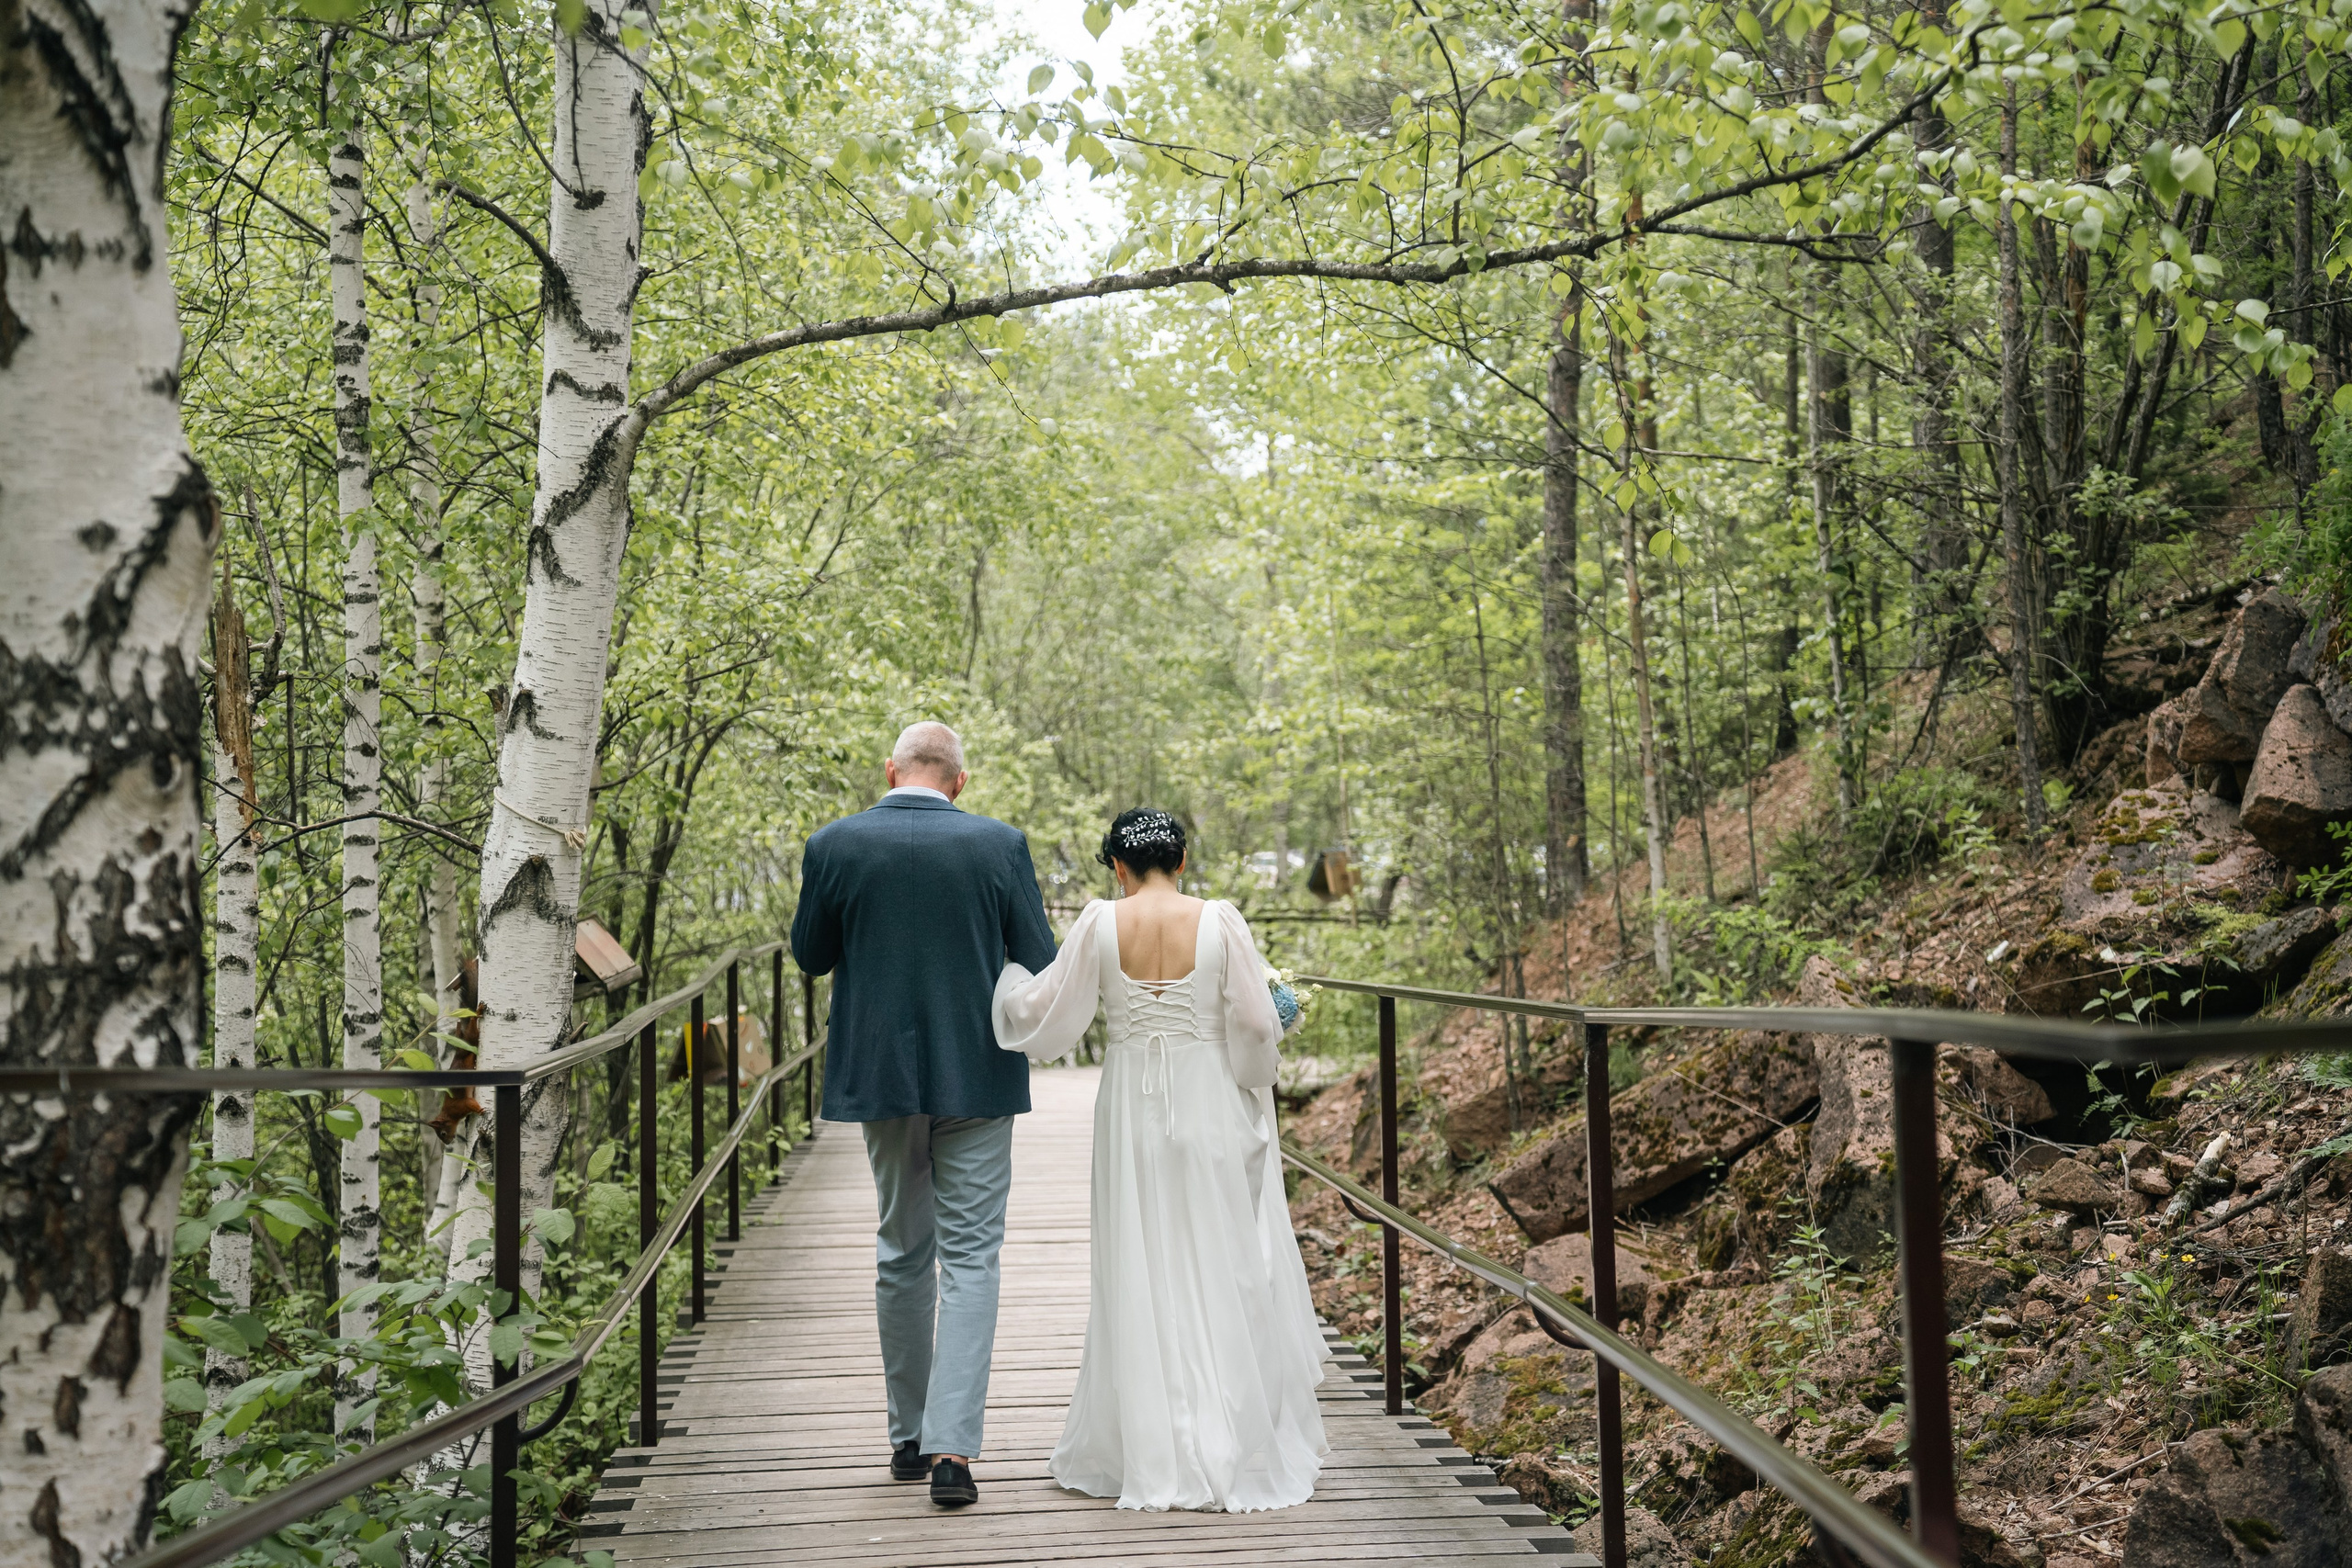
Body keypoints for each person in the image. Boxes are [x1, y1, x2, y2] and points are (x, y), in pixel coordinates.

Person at [992, 808, 1329, 1512]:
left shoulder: (1097, 921)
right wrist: (1258, 1066)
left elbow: (1051, 1013)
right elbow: (1255, 1021)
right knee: (1222, 1258)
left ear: (1116, 865)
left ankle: (1149, 1439)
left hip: (1130, 1112)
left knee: (1140, 1258)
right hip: (1206, 1099)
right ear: (1182, 859)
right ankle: (1227, 1434)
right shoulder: (1220, 920)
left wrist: (1007, 985)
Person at [789, 720, 1057, 1507]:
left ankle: (905, 1435)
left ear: (891, 769)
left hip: (879, 1074)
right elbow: (1038, 959)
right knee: (972, 1257)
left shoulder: (833, 844)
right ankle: (951, 1452)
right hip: (978, 1070)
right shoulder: (1000, 846)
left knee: (902, 1249)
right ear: (960, 782)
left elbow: (810, 954)